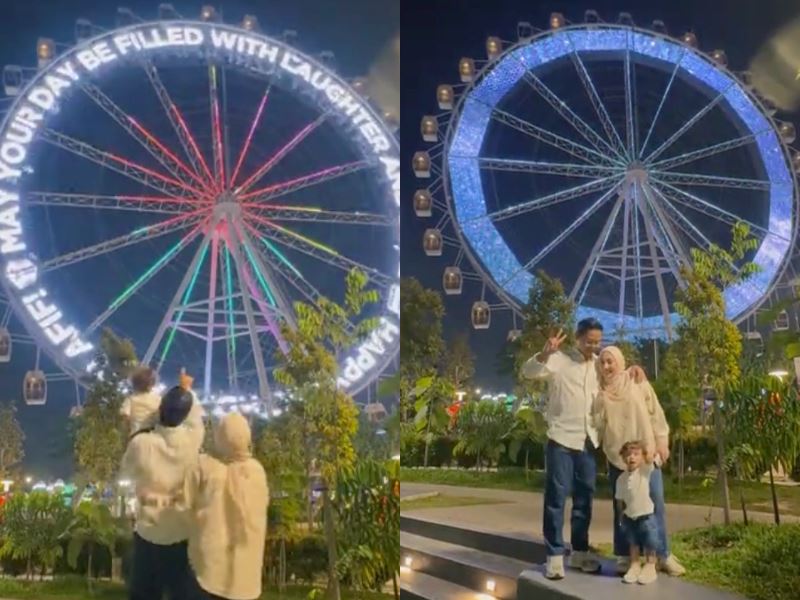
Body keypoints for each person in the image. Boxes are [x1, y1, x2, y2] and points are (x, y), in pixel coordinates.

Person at [521, 318, 646, 580]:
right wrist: (545, 353)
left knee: (584, 501)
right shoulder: (559, 360)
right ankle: (554, 556)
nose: (593, 347)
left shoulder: (600, 364)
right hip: (561, 440)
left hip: (589, 441)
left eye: (598, 342)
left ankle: (579, 551)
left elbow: (618, 376)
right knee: (556, 499)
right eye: (589, 341)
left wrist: (634, 370)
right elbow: (529, 371)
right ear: (577, 338)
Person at [593, 345, 685, 577]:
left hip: (645, 455)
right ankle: (625, 555)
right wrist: (599, 405)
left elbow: (655, 412)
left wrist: (662, 440)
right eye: (602, 362)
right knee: (622, 507)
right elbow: (596, 426)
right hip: (618, 459)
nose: (606, 366)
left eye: (610, 361)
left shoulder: (637, 382)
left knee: (655, 503)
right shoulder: (599, 392)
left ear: (620, 362)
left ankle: (662, 555)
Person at [121, 386, 200, 600]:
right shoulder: (193, 442)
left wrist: (147, 421)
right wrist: (188, 388)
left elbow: (125, 468)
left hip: (148, 535)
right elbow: (196, 416)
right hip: (181, 536)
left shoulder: (141, 444)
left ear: (160, 408)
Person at [184, 412, 269, 600]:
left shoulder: (204, 466)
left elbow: (183, 505)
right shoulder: (257, 471)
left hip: (208, 576)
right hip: (248, 581)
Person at [615, 440, 659, 585]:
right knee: (633, 542)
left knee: (649, 541)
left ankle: (650, 565)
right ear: (623, 458)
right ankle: (634, 565)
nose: (631, 457)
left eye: (635, 454)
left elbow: (653, 458)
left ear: (642, 457)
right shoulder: (621, 479)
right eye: (628, 455)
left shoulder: (644, 471)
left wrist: (649, 451)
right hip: (630, 516)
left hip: (646, 516)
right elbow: (619, 500)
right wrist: (621, 515)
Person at [120, 366, 161, 436]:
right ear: (152, 384)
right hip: (152, 433)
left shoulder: (131, 399)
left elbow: (125, 416)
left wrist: (127, 429)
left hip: (135, 433)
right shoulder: (158, 399)